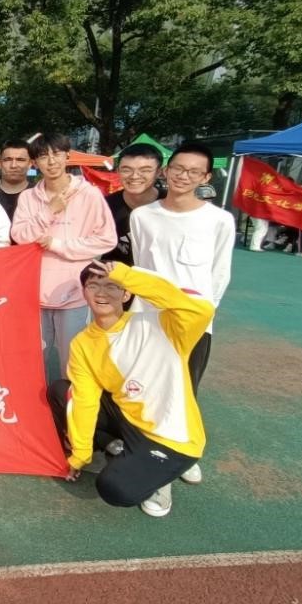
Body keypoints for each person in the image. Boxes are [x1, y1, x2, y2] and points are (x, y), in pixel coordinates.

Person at [48, 260, 213, 518]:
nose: (101, 293)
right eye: (93, 286)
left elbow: (201, 308)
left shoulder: (163, 325)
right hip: (127, 420)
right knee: (60, 391)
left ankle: (160, 475)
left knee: (114, 488)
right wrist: (80, 454)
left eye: (112, 286)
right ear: (84, 293)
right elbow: (84, 400)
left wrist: (127, 275)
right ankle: (113, 446)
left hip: (171, 436)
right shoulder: (83, 343)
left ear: (126, 294)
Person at [129, 141, 234, 486]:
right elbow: (141, 266)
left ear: (206, 177)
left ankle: (184, 454)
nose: (183, 176)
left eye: (193, 172)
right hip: (147, 318)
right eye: (178, 168)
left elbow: (219, 274)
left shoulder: (219, 220)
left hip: (192, 323)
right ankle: (143, 448)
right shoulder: (143, 216)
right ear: (166, 170)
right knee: (145, 385)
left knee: (185, 389)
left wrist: (203, 316)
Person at [11, 134, 116, 383]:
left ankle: (70, 406)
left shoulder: (89, 195)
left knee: (72, 361)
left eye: (56, 154)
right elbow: (20, 235)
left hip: (74, 292)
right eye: (43, 156)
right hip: (34, 292)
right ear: (35, 163)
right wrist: (48, 211)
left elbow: (106, 239)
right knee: (35, 360)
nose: (51, 161)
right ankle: (38, 406)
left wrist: (58, 245)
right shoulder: (28, 197)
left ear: (67, 156)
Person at [102, 143, 164, 263]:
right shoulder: (104, 206)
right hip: (115, 273)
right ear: (118, 171)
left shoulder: (171, 204)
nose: (134, 176)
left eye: (145, 170)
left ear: (159, 172)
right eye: (126, 170)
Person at [0, 140, 32, 222]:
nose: (13, 165)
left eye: (20, 160)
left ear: (30, 164)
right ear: (0, 164)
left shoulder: (40, 195)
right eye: (8, 160)